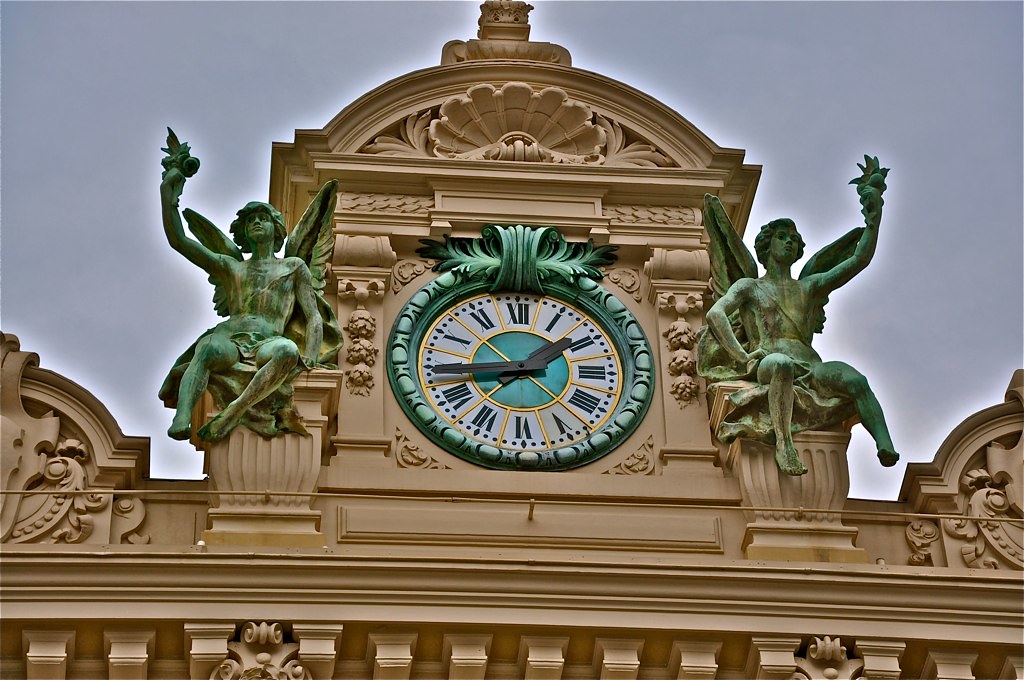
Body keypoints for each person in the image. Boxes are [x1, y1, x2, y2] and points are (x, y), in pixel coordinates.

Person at [699, 158, 899, 475]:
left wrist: (873, 218)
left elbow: (859, 260)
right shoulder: (748, 286)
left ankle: (885, 444)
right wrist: (744, 356)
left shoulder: (809, 287)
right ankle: (783, 444)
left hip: (811, 365)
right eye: (782, 235)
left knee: (855, 380)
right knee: (781, 365)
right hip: (768, 361)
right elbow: (715, 314)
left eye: (794, 238)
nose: (790, 241)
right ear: (766, 245)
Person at [157, 165, 336, 442]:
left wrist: (310, 356)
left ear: (276, 229)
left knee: (288, 350)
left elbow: (312, 315)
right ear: (242, 231)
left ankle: (233, 411)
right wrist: (168, 194)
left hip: (268, 342)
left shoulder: (294, 266)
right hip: (231, 338)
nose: (256, 222)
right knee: (207, 349)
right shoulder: (231, 267)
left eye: (263, 218)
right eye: (250, 219)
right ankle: (182, 418)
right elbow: (179, 241)